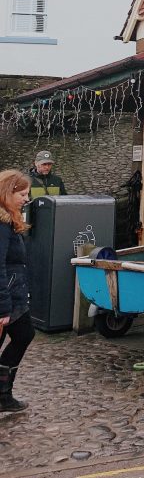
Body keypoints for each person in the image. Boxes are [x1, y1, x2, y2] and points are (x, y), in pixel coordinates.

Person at [0, 170, 34, 413]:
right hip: (7, 299)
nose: (26, 198)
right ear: (7, 193)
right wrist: (2, 307)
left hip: (14, 296)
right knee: (24, 334)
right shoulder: (2, 225)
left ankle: (3, 395)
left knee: (25, 334)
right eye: (22, 194)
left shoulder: (9, 221)